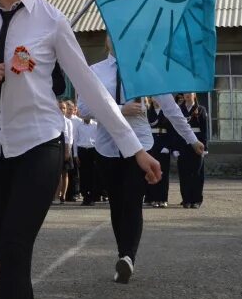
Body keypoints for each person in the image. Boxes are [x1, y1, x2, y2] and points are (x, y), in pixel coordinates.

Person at [0, 0, 161, 299]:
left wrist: (135, 149)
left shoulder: (52, 20)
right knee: (11, 255)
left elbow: (92, 89)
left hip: (38, 147)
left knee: (13, 245)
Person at [78, 45, 204, 284]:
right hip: (107, 148)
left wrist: (192, 139)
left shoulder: (146, 70)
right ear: (106, 41)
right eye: (111, 34)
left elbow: (171, 108)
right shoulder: (94, 71)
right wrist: (119, 109)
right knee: (117, 204)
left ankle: (128, 256)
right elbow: (83, 108)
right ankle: (122, 254)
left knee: (132, 200)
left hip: (140, 148)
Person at [177, 93, 209, 207]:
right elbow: (174, 130)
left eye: (189, 92)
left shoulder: (200, 109)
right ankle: (186, 199)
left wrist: (205, 146)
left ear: (194, 95)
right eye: (185, 92)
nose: (187, 95)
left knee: (197, 173)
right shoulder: (179, 109)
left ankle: (196, 200)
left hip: (198, 143)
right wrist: (175, 148)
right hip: (183, 144)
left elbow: (204, 130)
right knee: (184, 172)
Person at [57, 99, 74, 205]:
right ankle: (56, 194)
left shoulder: (68, 122)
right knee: (57, 173)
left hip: (65, 147)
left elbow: (69, 137)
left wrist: (68, 151)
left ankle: (63, 194)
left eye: (63, 108)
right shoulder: (53, 119)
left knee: (65, 173)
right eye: (60, 108)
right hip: (57, 146)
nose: (62, 110)